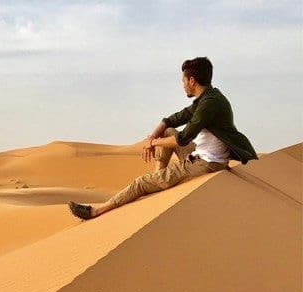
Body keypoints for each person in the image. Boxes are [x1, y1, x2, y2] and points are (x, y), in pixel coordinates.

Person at [69, 56, 258, 220]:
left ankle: (97, 211)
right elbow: (172, 120)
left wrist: (152, 142)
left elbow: (182, 139)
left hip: (206, 164)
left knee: (140, 183)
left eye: (183, 80)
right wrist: (153, 136)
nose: (182, 84)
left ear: (192, 80)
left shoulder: (209, 105)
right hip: (202, 155)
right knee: (167, 131)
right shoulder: (208, 98)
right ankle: (158, 179)